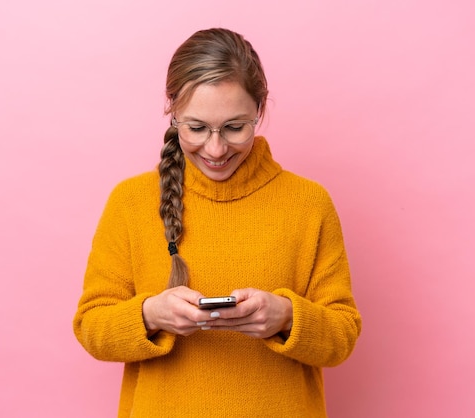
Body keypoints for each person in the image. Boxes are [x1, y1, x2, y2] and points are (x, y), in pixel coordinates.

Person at [73, 27, 362, 418]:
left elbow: (342, 335)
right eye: (196, 128)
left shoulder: (309, 204)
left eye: (234, 127)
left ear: (259, 111)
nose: (215, 148)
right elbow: (91, 327)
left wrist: (286, 316)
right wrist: (151, 314)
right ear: (172, 113)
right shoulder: (130, 202)